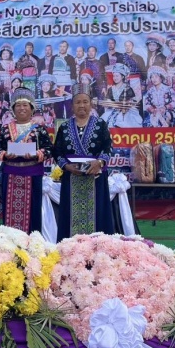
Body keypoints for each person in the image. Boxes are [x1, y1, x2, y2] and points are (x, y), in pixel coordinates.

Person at [52, 88, 116, 239]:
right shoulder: (64, 127)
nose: (82, 105)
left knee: (98, 215)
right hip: (71, 178)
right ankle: (71, 249)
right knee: (69, 216)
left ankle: (98, 248)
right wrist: (66, 166)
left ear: (91, 104)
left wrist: (99, 162)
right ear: (72, 106)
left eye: (85, 102)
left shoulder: (101, 124)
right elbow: (57, 151)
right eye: (78, 102)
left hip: (96, 179)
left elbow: (108, 146)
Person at [0, 88, 54, 233]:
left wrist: (36, 154)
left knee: (33, 210)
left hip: (33, 174)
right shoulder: (5, 129)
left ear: (32, 108)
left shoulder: (39, 129)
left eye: (25, 105)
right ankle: (11, 241)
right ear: (13, 109)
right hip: (11, 174)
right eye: (18, 105)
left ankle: (32, 241)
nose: (22, 108)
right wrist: (5, 154)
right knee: (10, 210)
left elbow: (50, 149)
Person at [101, 64, 142, 128]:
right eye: (114, 76)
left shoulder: (128, 88)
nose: (115, 78)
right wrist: (111, 104)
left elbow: (132, 102)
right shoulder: (111, 89)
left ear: (122, 76)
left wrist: (125, 106)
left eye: (117, 76)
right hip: (113, 110)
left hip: (126, 111)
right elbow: (107, 101)